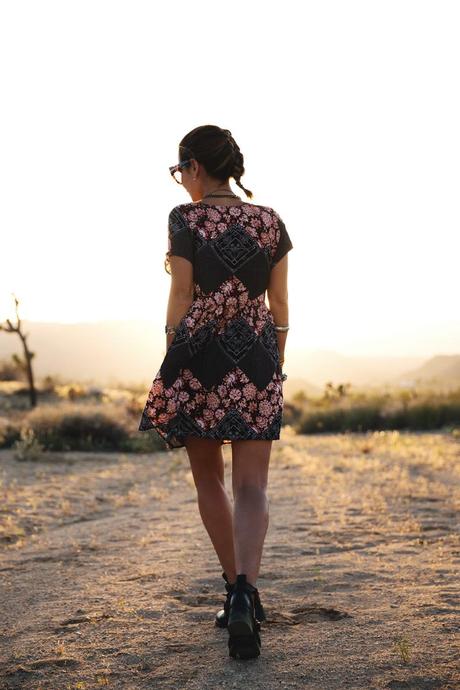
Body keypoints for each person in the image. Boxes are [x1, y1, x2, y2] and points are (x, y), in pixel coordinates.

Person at [138, 124, 293, 659]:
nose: (181, 181)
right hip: (256, 356)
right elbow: (280, 308)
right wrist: (275, 364)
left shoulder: (185, 219)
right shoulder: (271, 222)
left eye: (181, 171)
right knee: (252, 486)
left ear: (196, 166)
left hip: (198, 356)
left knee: (209, 479)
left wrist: (171, 358)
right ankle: (247, 592)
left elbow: (180, 295)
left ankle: (235, 590)